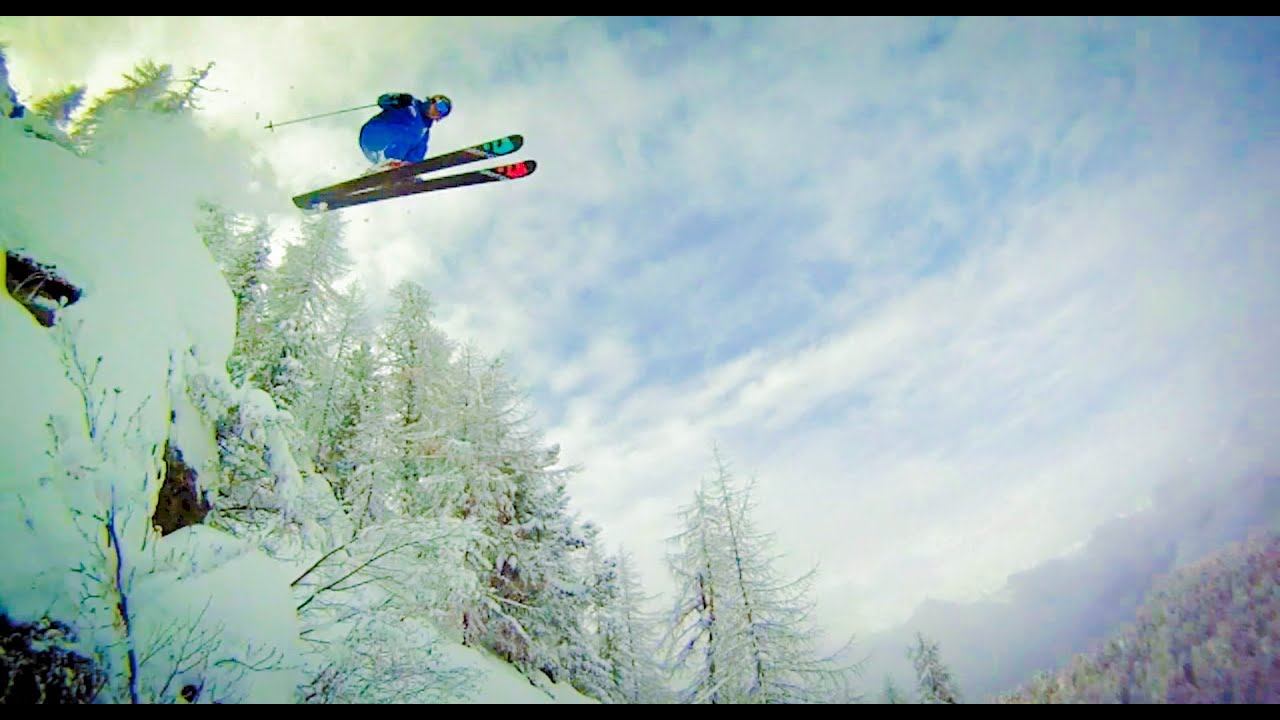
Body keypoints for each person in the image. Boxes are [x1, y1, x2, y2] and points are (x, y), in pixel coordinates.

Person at [358, 93, 451, 171]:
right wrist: (397, 99)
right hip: (374, 133)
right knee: (408, 134)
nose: (439, 112)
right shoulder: (410, 104)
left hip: (380, 152)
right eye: (441, 106)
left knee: (419, 147)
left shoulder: (424, 133)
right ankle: (389, 163)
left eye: (443, 114)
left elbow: (417, 154)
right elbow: (382, 101)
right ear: (433, 101)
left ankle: (396, 170)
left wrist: (411, 168)